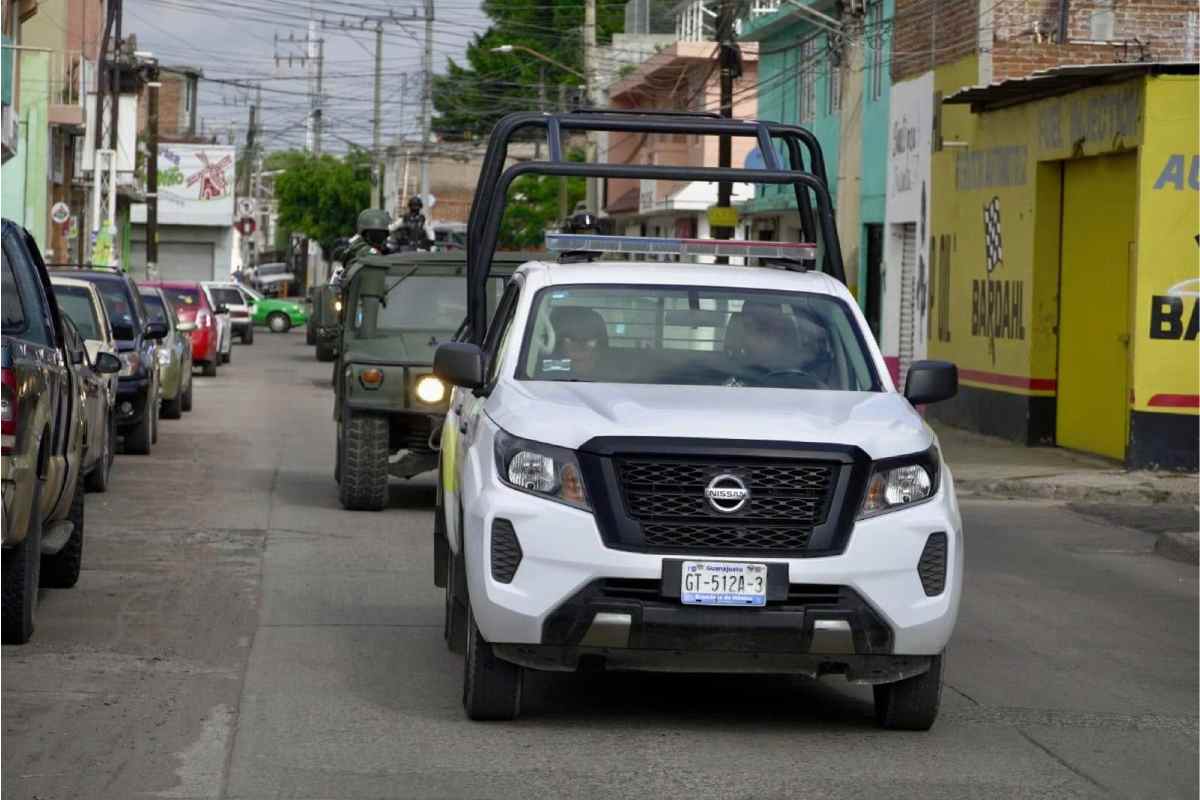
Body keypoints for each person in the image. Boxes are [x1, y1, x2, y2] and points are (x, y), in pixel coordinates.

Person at [547, 306, 608, 377]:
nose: (579, 348)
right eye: (571, 339)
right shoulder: (547, 367)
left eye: (587, 340)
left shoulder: (612, 368)